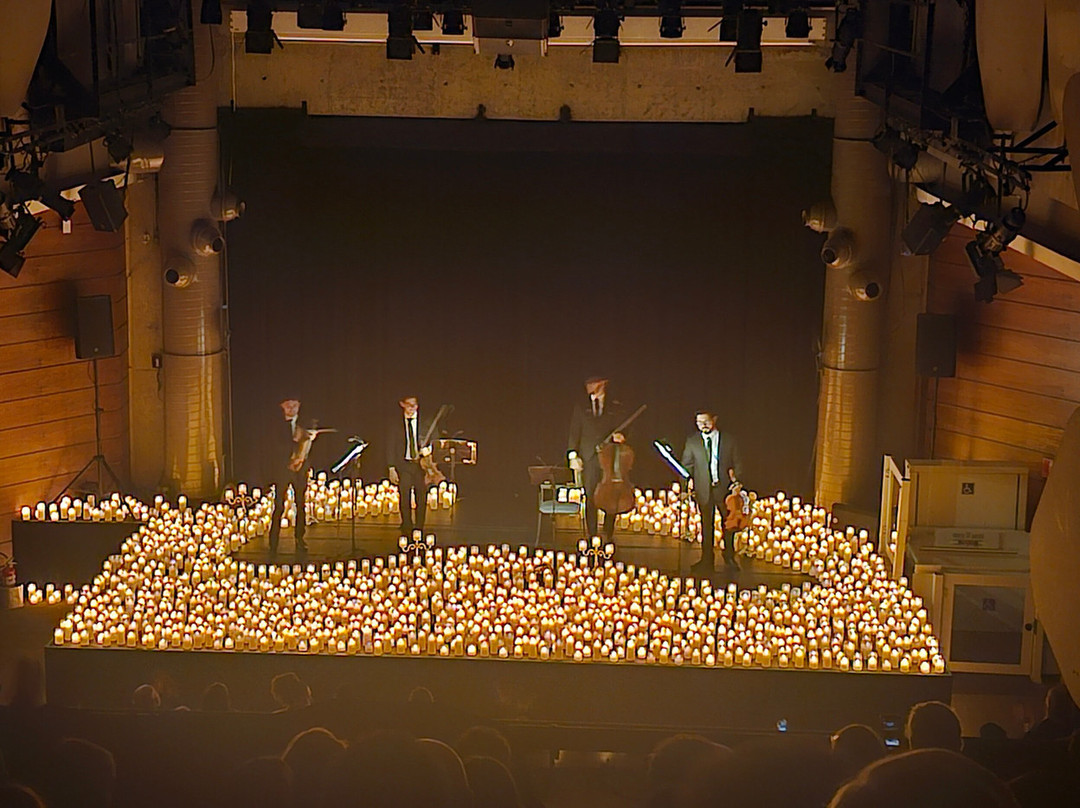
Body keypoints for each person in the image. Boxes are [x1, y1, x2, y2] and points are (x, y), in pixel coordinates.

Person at [681, 409, 743, 574]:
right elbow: (686, 466)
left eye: (706, 421)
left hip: (724, 490)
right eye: (699, 422)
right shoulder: (692, 441)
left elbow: (738, 463)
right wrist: (685, 485)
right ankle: (706, 559)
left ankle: (729, 556)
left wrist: (737, 482)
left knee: (728, 524)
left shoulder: (728, 440)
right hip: (703, 490)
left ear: (714, 419)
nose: (703, 425)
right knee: (706, 526)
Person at [568, 375, 627, 542]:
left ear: (603, 384)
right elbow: (574, 432)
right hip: (590, 458)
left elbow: (625, 430)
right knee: (591, 496)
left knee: (611, 496)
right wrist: (573, 455)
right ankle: (592, 533)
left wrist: (621, 436)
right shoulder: (581, 407)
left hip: (610, 458)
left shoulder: (615, 407)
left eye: (593, 383)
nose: (589, 386)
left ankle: (608, 533)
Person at [387, 395, 434, 537]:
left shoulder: (425, 423)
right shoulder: (395, 424)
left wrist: (429, 450)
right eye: (409, 405)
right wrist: (391, 468)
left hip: (421, 465)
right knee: (404, 494)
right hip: (404, 464)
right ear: (402, 404)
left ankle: (419, 525)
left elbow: (435, 440)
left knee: (421, 495)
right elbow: (390, 446)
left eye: (414, 405)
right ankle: (406, 524)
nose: (412, 408)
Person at [269, 398, 309, 556]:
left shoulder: (303, 425)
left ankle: (300, 538)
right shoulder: (277, 426)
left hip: (300, 471)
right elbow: (274, 447)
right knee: (279, 506)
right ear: (282, 407)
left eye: (295, 405)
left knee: (301, 504)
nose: (292, 409)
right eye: (288, 406)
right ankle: (274, 542)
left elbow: (308, 448)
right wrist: (294, 443)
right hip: (283, 471)